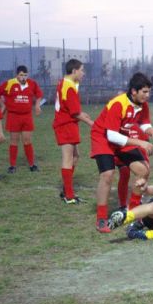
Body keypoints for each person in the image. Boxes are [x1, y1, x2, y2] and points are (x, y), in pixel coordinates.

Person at [90, 72, 153, 233]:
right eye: (144, 92)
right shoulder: (118, 104)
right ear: (133, 91)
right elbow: (111, 135)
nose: (148, 95)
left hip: (122, 138)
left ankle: (132, 212)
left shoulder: (143, 104)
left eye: (149, 91)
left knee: (143, 171)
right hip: (103, 138)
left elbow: (144, 123)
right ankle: (101, 218)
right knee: (107, 174)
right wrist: (140, 142)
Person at [53, 59, 94, 204]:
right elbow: (74, 113)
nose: (83, 73)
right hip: (65, 125)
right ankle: (68, 195)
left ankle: (66, 189)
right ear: (74, 71)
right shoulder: (68, 86)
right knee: (68, 158)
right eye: (82, 70)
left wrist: (83, 114)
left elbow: (72, 108)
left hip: (69, 124)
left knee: (75, 157)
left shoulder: (69, 83)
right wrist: (91, 123)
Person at [0, 65, 43, 173]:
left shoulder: (32, 83)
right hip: (13, 116)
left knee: (27, 140)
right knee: (14, 140)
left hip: (27, 116)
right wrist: (3, 105)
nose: (23, 77)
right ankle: (12, 166)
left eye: (25, 75)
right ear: (17, 75)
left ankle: (32, 165)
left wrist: (37, 105)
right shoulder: (9, 83)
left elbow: (39, 95)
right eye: (21, 75)